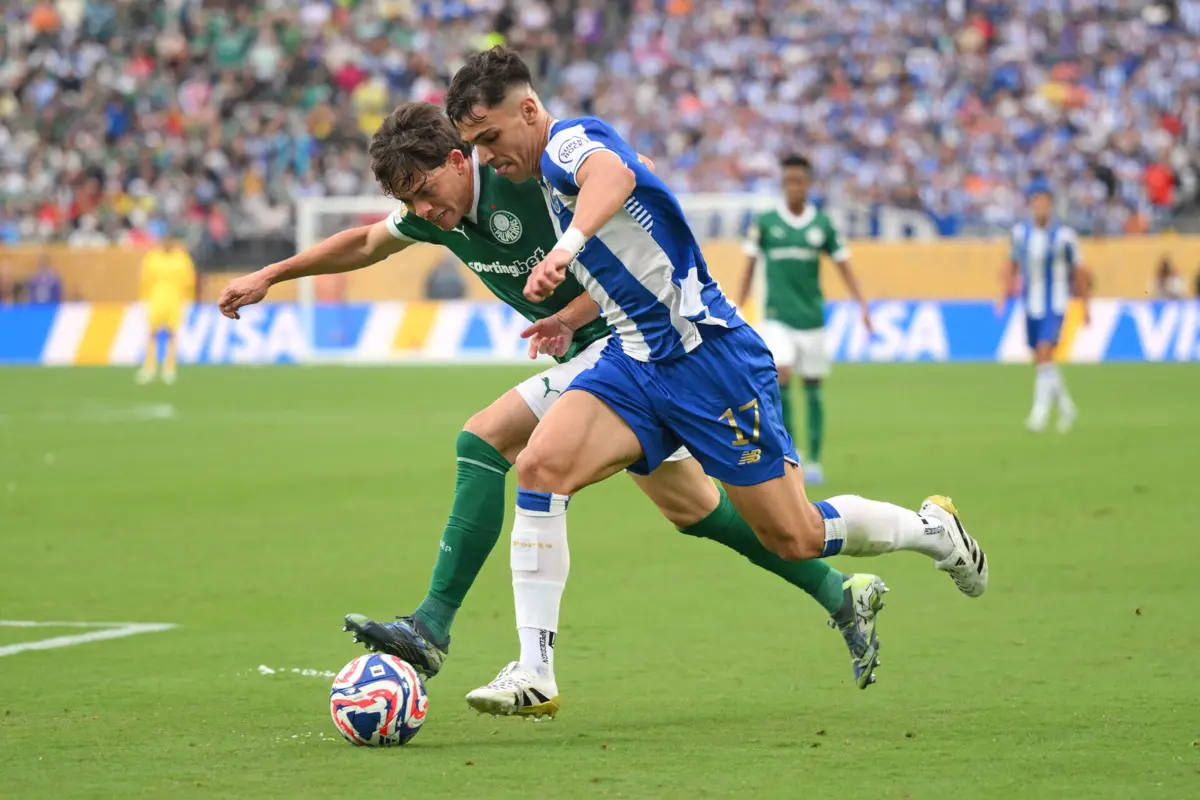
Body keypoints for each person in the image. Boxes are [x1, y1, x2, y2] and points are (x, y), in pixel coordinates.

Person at [217, 103, 912, 714]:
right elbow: (368, 241)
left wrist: (572, 306)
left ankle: (433, 629)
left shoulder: (525, 181)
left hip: (623, 346)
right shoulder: (438, 213)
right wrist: (272, 274)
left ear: (460, 160)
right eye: (413, 201)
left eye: (427, 190)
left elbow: (621, 257)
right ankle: (836, 591)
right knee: (698, 512)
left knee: (485, 440)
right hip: (606, 367)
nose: (424, 210)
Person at [445, 46, 988, 717]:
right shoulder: (544, 174)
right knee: (539, 467)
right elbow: (634, 258)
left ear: (528, 109)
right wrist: (570, 310)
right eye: (475, 146)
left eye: (491, 137)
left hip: (710, 361)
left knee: (794, 536)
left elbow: (610, 176)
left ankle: (933, 530)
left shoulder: (568, 144)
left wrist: (564, 248)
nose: (488, 157)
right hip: (636, 362)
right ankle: (535, 670)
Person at [738, 154, 871, 486]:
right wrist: (738, 306)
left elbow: (845, 267)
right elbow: (749, 266)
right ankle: (791, 449)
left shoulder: (821, 225)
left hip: (812, 318)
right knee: (780, 374)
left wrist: (863, 306)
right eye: (787, 182)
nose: (792, 187)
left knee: (813, 385)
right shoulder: (766, 223)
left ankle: (814, 458)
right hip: (776, 317)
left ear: (808, 184)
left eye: (798, 181)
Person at [1003, 182, 1090, 433]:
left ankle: (1038, 415)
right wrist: (1003, 294)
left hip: (1056, 303)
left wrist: (1085, 305)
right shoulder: (1021, 234)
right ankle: (1067, 408)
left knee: (1044, 352)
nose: (1040, 206)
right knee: (1042, 360)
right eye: (1036, 202)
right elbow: (1011, 263)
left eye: (1044, 202)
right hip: (1031, 304)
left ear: (1050, 205)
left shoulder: (1064, 236)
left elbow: (1080, 271)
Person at [138, 235, 196, 385]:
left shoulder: (182, 259)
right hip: (155, 299)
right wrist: (144, 298)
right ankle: (149, 367)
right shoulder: (152, 257)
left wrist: (188, 298)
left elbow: (189, 280)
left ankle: (169, 368)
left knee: (172, 334)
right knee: (152, 333)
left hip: (175, 301)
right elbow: (145, 278)